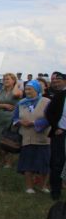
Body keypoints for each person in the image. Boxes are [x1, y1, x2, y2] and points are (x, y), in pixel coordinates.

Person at [15, 80, 51, 194]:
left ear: (37, 90)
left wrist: (34, 123)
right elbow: (15, 118)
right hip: (27, 137)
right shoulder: (21, 103)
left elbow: (50, 118)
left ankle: (43, 185)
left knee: (44, 163)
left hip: (42, 137)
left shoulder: (46, 102)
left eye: (30, 89)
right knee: (28, 162)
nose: (27, 91)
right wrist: (20, 122)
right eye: (26, 89)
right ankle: (29, 186)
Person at [0, 73, 22, 168]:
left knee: (7, 140)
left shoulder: (17, 91)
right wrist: (4, 105)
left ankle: (8, 161)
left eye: (8, 79)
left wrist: (16, 85)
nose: (5, 81)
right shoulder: (1, 91)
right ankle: (1, 159)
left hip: (10, 119)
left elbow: (16, 94)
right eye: (4, 79)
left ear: (13, 80)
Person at [44, 72, 66, 200]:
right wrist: (55, 127)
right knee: (57, 161)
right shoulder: (59, 96)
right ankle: (55, 190)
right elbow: (49, 113)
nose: (56, 83)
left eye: (59, 81)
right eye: (55, 81)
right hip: (61, 132)